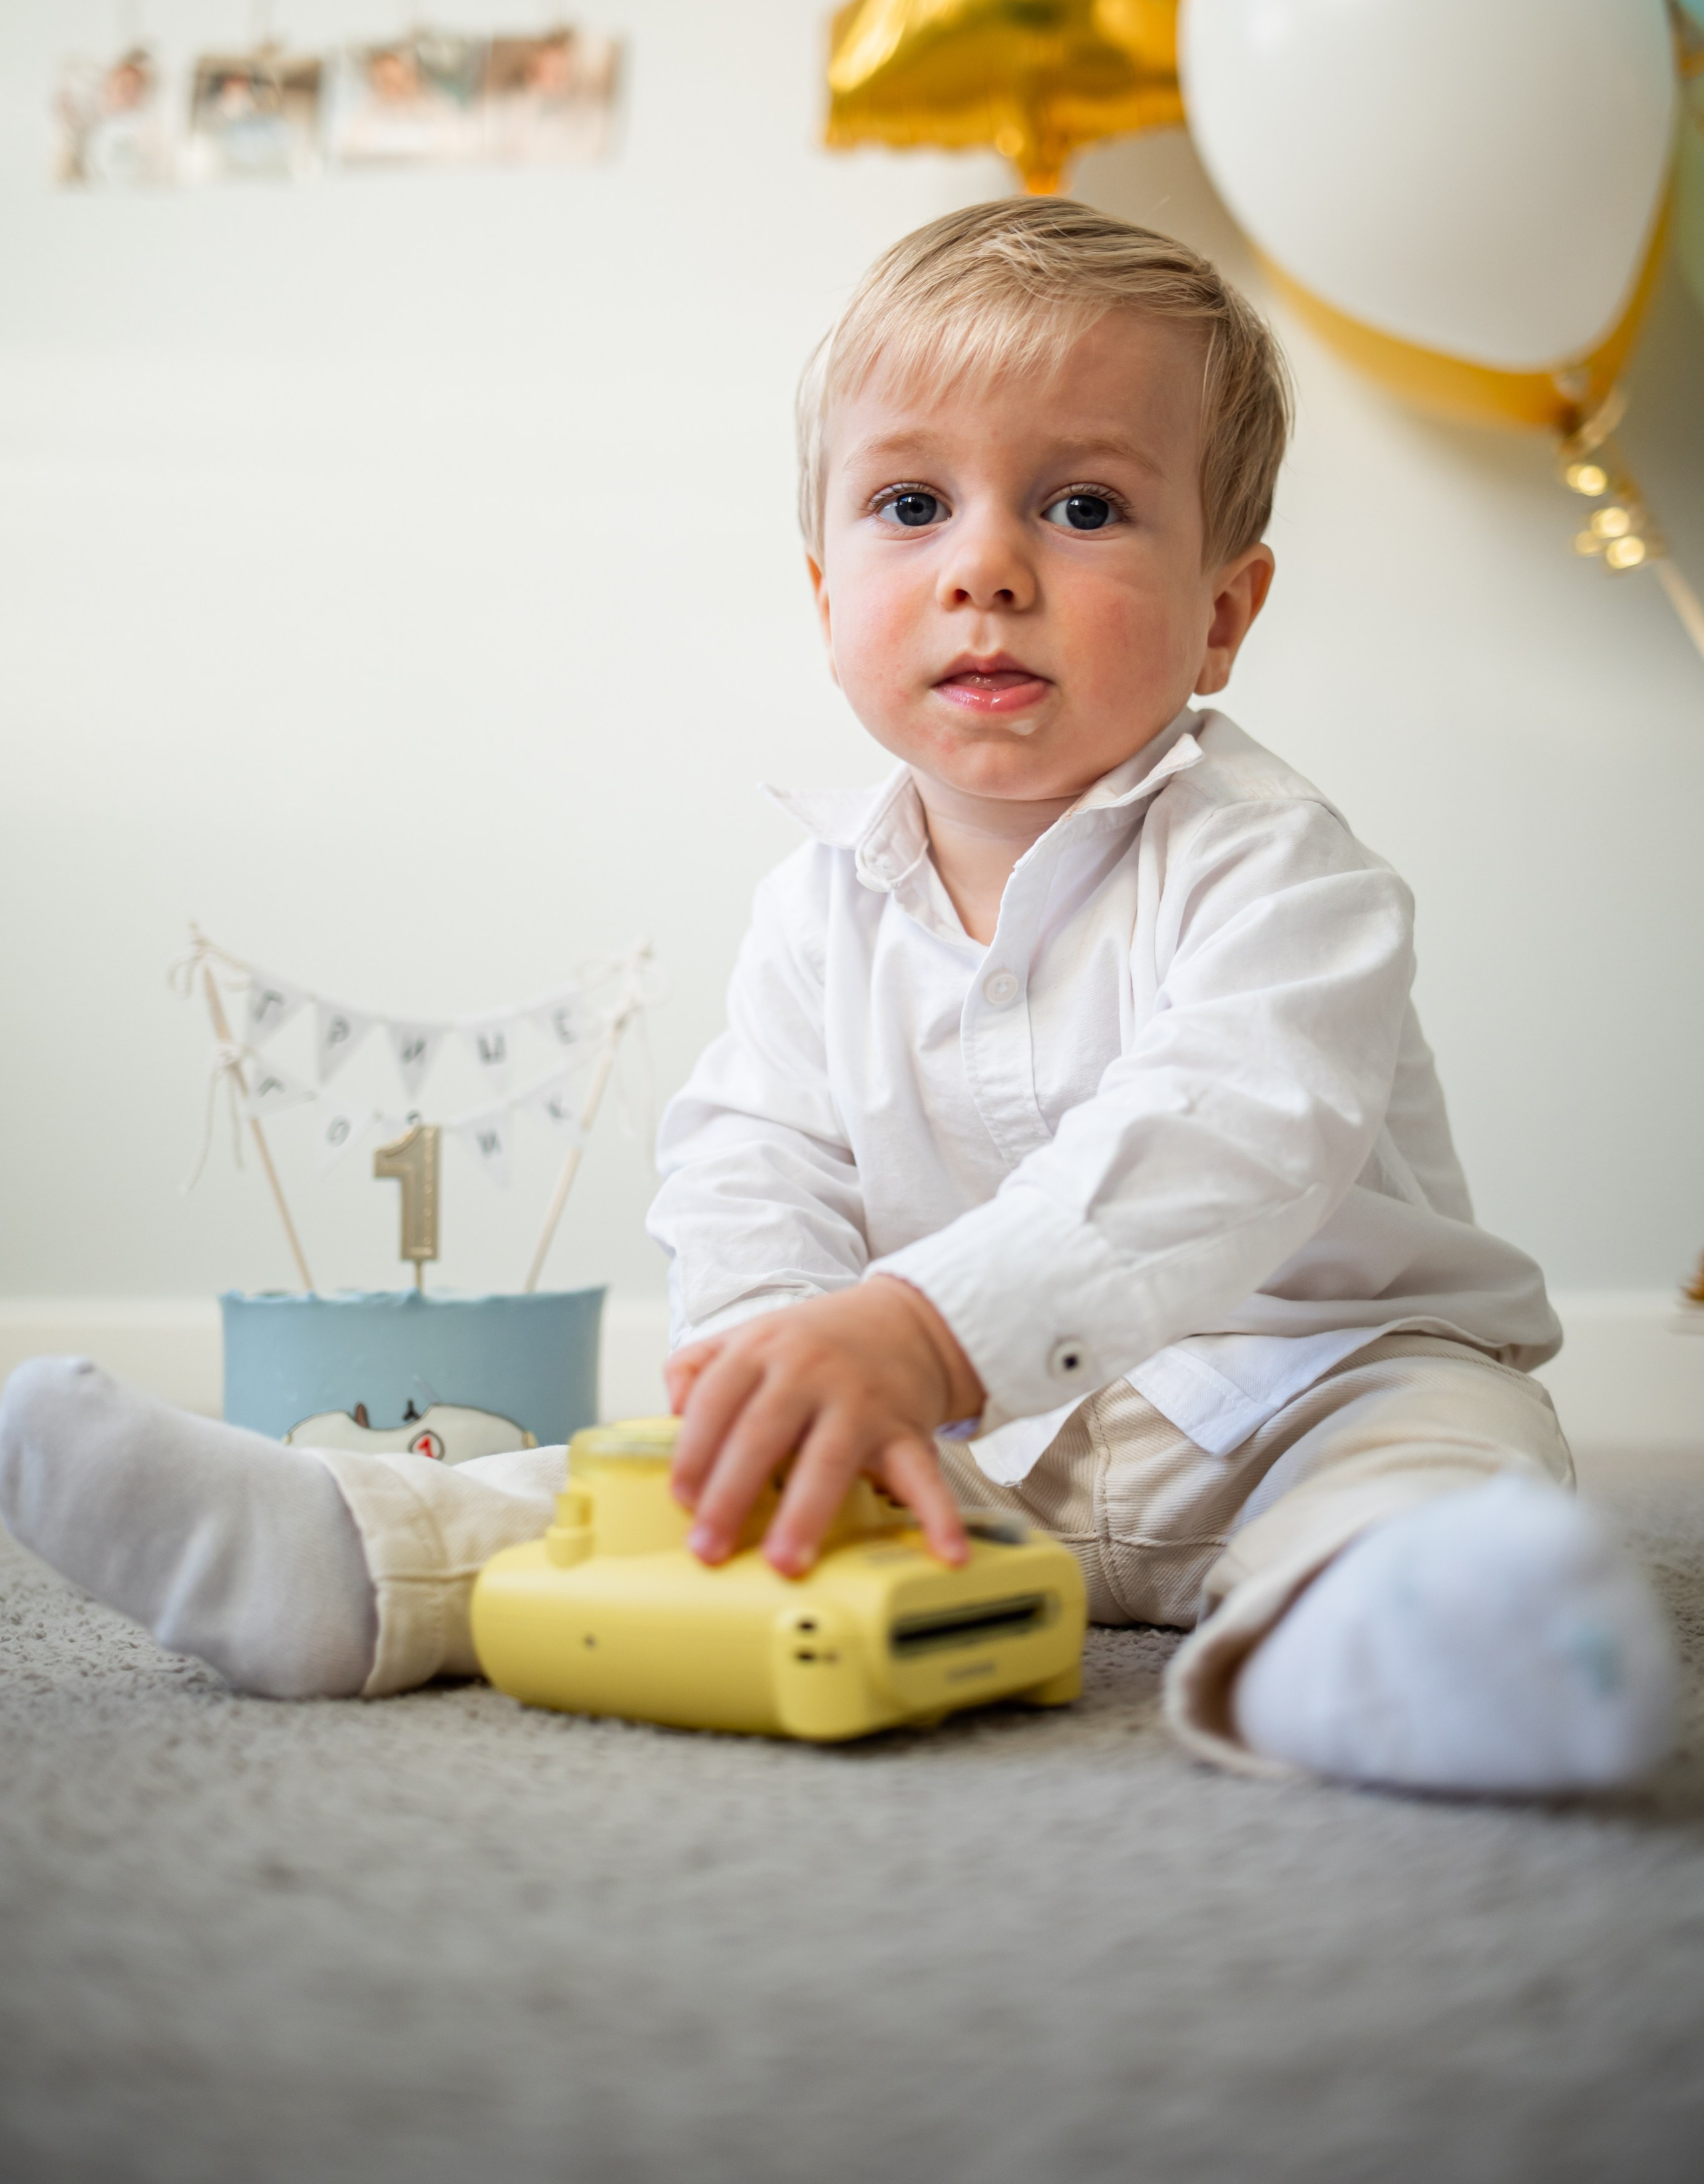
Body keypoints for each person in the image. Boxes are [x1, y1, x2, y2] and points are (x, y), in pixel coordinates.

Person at [0, 201, 1679, 1796]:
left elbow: (1229, 1132)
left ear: (1222, 612)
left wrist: (920, 1331)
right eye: (909, 507)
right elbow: (751, 1157)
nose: (987, 569)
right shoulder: (815, 907)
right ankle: (349, 1556)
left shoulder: (1279, 870)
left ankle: (1393, 1657)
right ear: (824, 601)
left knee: (1432, 1473)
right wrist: (769, 1356)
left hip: (1303, 1391)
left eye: (1082, 507)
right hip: (966, 1441)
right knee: (636, 1491)